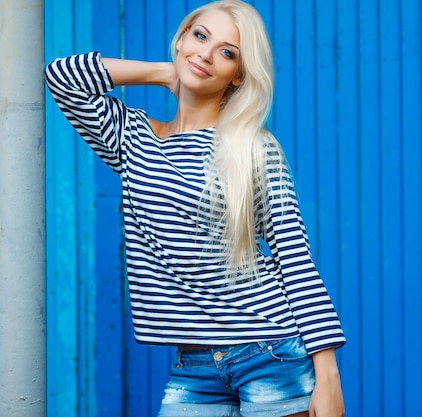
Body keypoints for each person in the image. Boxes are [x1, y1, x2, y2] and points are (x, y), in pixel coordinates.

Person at [45, 1, 346, 416]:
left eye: (227, 52)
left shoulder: (254, 148)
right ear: (182, 38)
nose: (206, 53)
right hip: (195, 367)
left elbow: (295, 257)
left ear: (238, 74)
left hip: (271, 352)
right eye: (200, 36)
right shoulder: (132, 138)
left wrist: (328, 375)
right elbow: (62, 77)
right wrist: (166, 72)